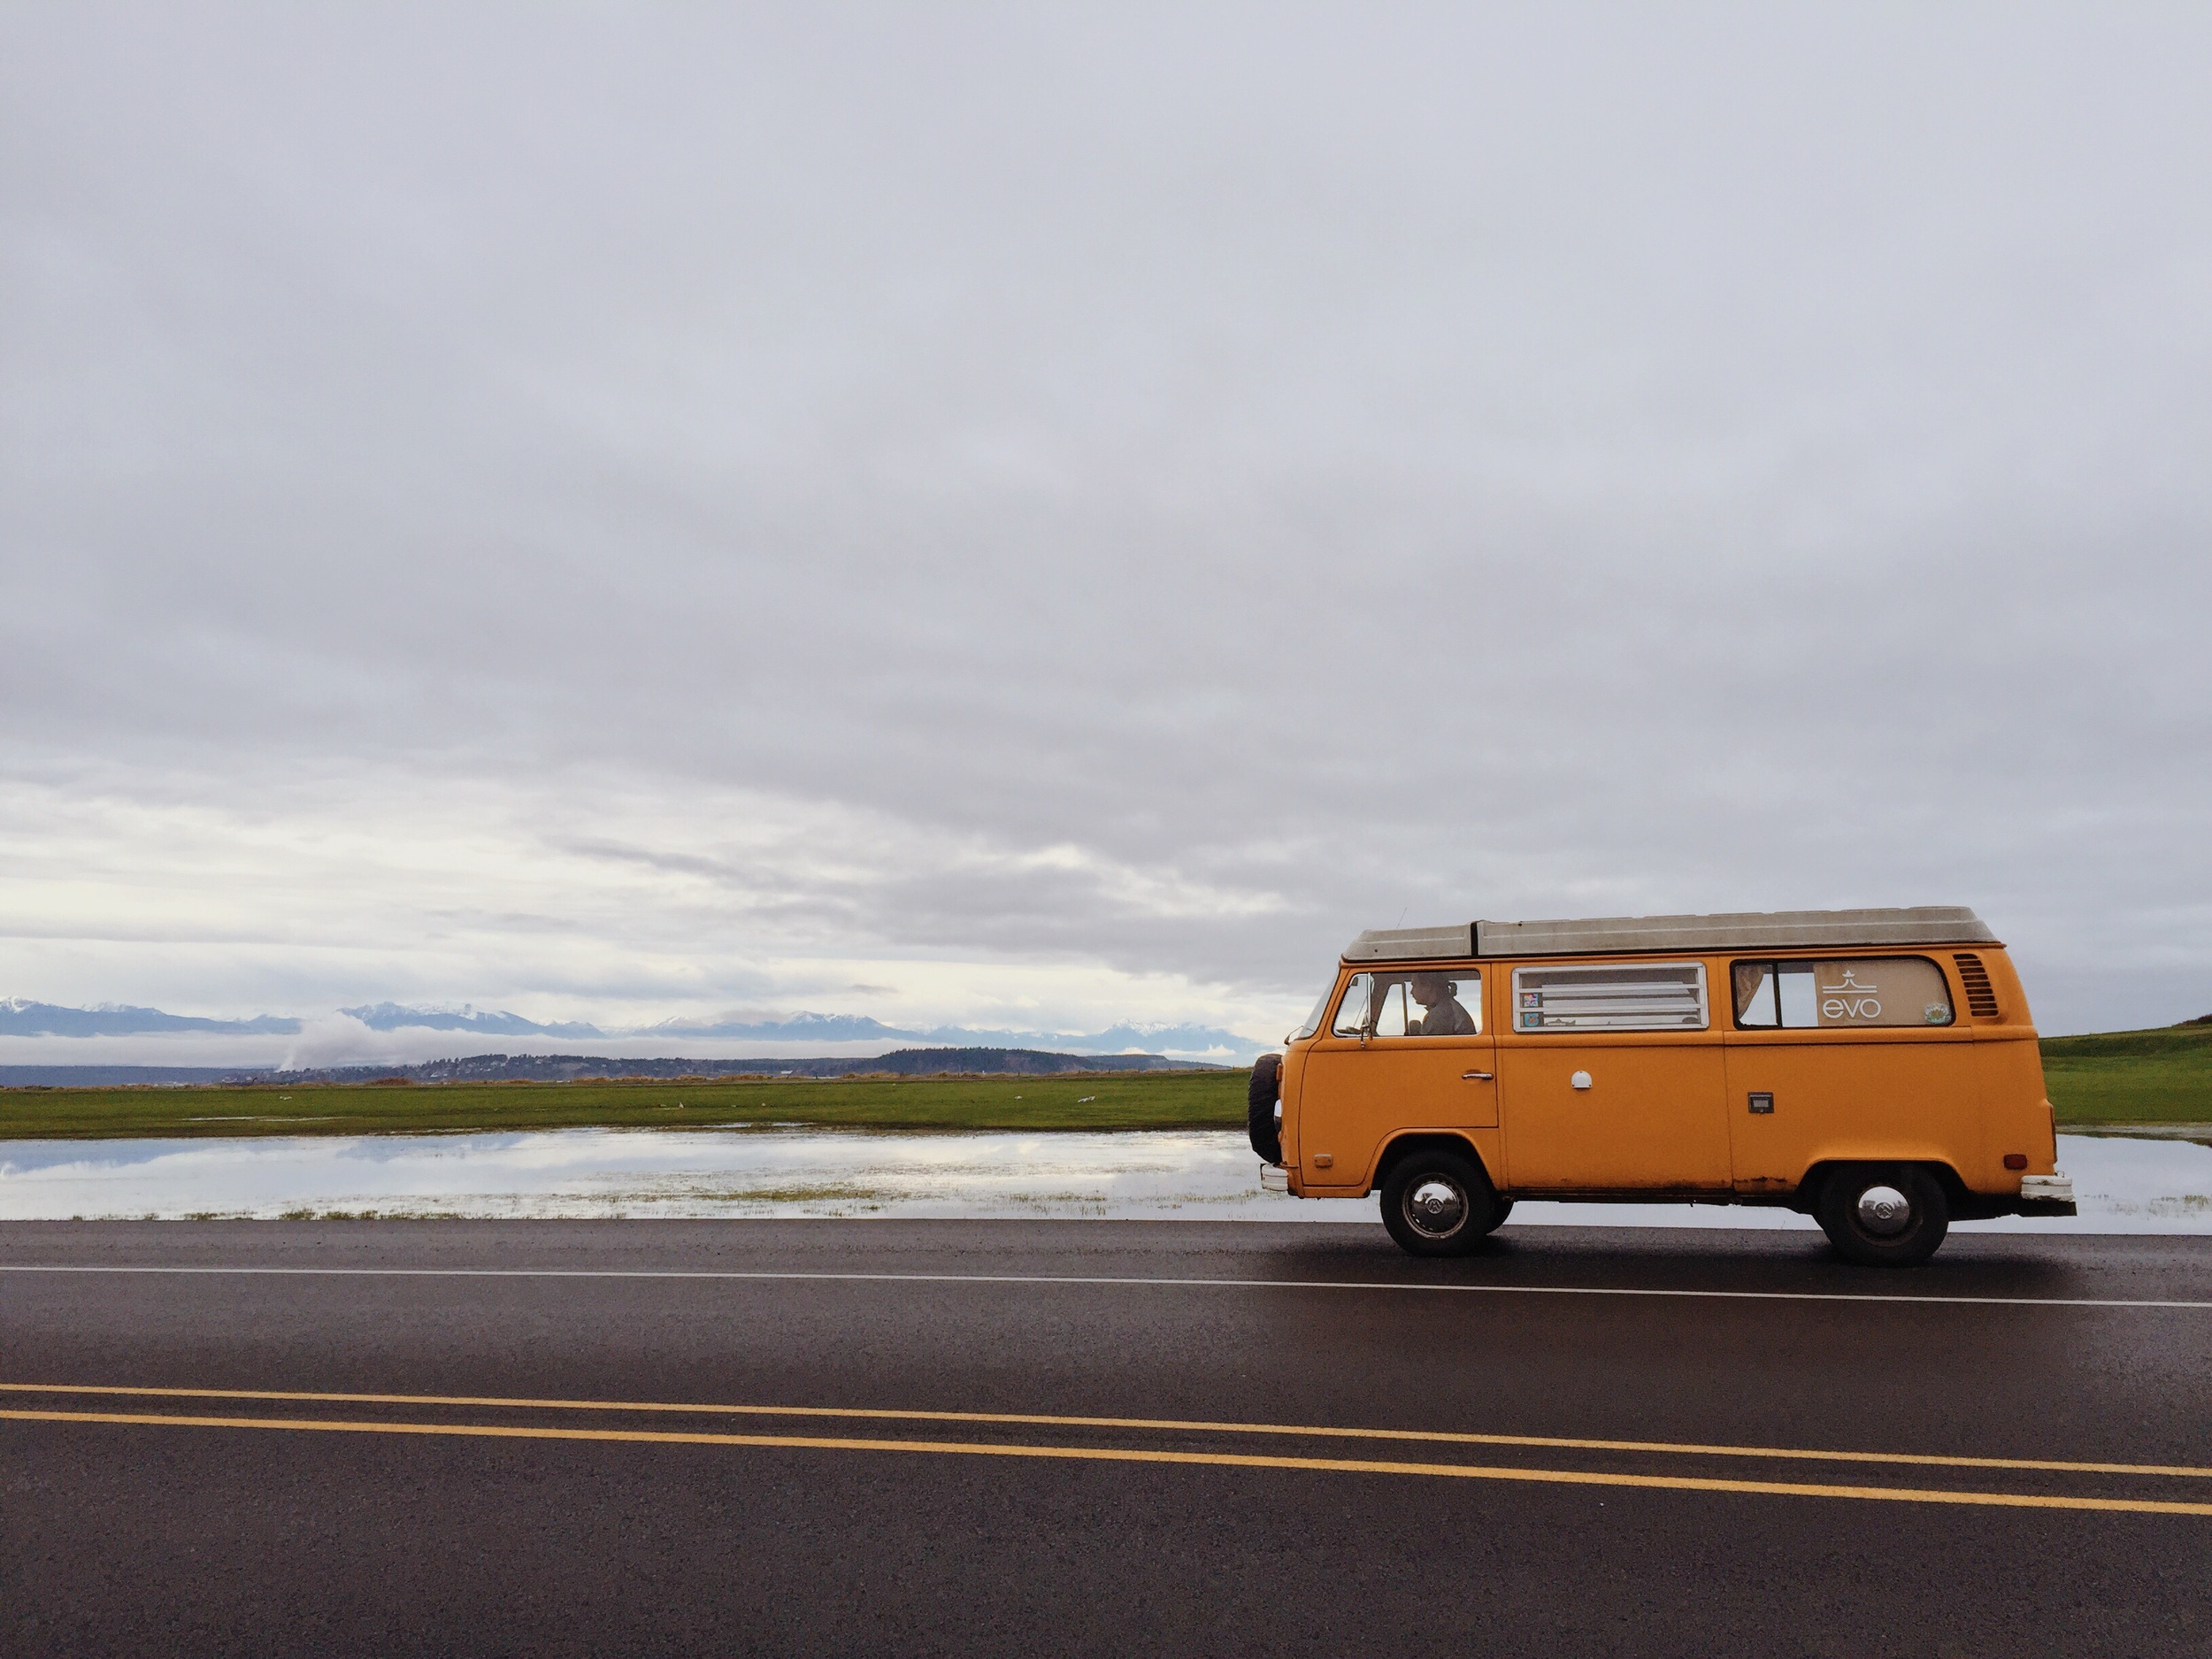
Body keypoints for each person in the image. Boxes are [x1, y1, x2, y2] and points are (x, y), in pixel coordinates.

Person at [1408, 972, 1477, 1036]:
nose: (1411, 992)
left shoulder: (1441, 1013)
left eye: (1414, 985)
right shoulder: (1447, 1007)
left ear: (1428, 986)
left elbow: (1429, 1047)